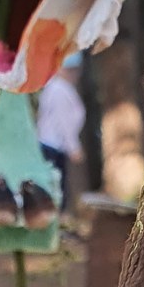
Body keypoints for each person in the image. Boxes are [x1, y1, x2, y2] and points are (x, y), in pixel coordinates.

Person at [36, 52, 87, 191]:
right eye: (69, 70)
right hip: (52, 145)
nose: (73, 74)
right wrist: (74, 147)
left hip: (54, 146)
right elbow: (64, 121)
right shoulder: (59, 89)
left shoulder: (58, 87)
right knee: (57, 188)